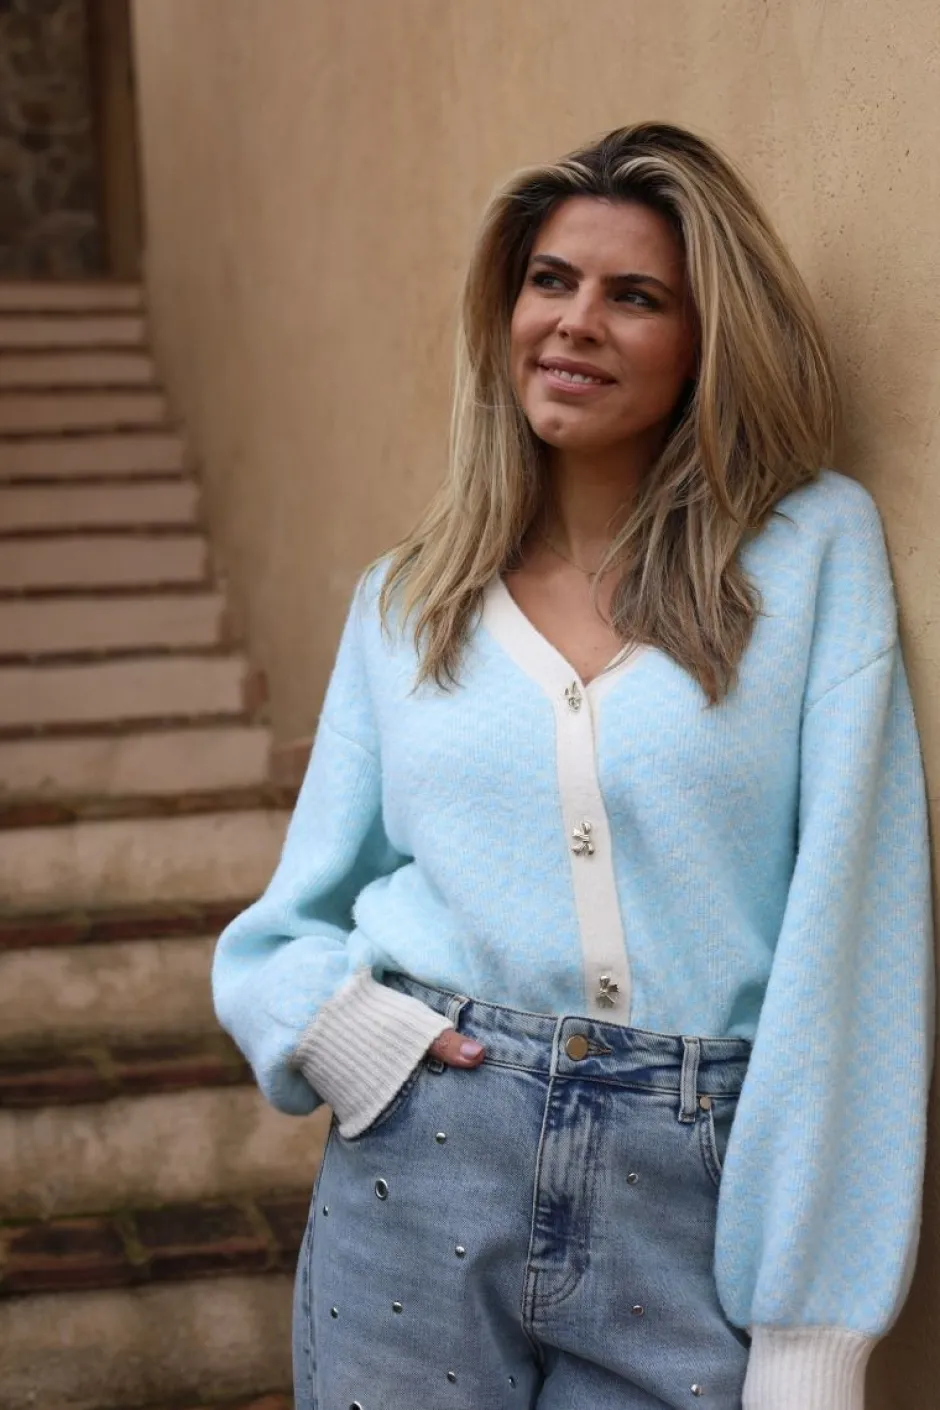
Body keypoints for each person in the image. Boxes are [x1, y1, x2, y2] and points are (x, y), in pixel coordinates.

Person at [212, 122, 934, 1410]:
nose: (576, 321)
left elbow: (855, 940)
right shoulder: (409, 602)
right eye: (550, 281)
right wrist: (340, 1030)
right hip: (424, 1154)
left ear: (707, 340)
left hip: (694, 1189)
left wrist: (814, 1326)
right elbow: (289, 922)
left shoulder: (812, 555)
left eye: (635, 296)